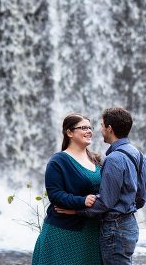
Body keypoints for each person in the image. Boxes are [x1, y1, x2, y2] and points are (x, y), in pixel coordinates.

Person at [55, 107, 146, 265]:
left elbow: (106, 202)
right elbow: (141, 199)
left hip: (115, 227)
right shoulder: (139, 156)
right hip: (130, 225)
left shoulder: (113, 159)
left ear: (109, 129)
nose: (98, 130)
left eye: (101, 125)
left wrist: (76, 210)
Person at [31, 113, 102, 265]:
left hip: (92, 231)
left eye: (90, 127)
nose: (89, 131)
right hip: (63, 232)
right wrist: (82, 201)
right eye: (83, 128)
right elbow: (55, 195)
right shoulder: (58, 161)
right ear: (69, 132)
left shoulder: (96, 159)